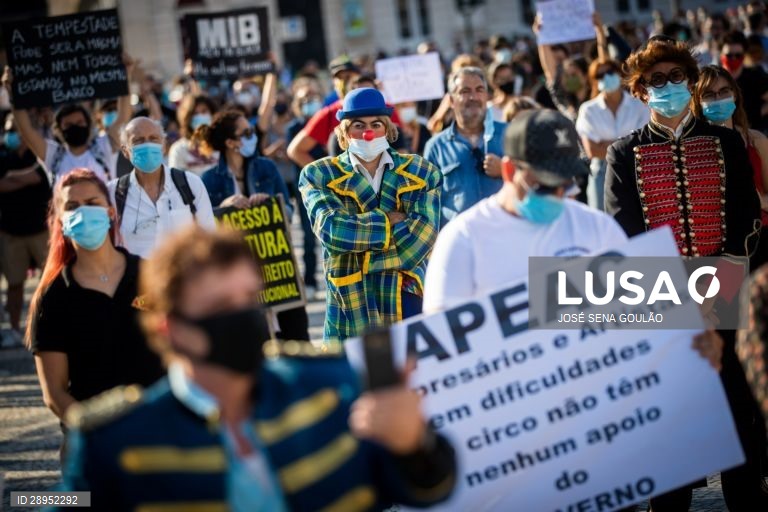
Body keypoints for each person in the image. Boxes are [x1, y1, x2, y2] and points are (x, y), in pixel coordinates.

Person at [58, 226, 456, 511]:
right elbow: (64, 499)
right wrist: (17, 499)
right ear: (173, 329)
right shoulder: (114, 438)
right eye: (219, 308)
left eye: (249, 298)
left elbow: (429, 489)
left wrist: (414, 444)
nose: (243, 316)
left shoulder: (332, 386)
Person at [605, 36, 768, 512]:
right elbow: (626, 231)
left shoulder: (725, 142)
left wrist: (718, 290)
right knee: (671, 427)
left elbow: (744, 219)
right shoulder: (623, 152)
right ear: (640, 92)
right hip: (662, 302)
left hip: (727, 294)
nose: (668, 86)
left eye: (677, 77)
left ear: (691, 82)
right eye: (656, 81)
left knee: (739, 417)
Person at [423, 109, 626, 313]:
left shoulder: (599, 228)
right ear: (510, 171)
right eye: (545, 184)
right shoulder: (463, 239)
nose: (557, 194)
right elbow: (442, 333)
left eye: (565, 184)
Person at [299, 88, 441, 342]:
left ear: (387, 129)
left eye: (376, 124)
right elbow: (333, 231)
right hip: (351, 302)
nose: (368, 133)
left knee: (413, 377)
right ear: (344, 132)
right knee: (359, 379)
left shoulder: (421, 171)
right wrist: (388, 221)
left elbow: (420, 241)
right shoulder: (318, 174)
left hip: (405, 298)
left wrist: (359, 249)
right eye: (358, 125)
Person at [25, 169, 164, 427]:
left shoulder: (151, 275)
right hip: (96, 442)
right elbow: (54, 393)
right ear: (61, 222)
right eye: (72, 206)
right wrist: (99, 434)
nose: (83, 212)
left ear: (111, 213)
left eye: (92, 203)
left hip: (160, 433)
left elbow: (183, 352)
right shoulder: (52, 298)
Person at [199, 110, 308, 341]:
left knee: (296, 336)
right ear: (230, 143)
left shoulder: (266, 168)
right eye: (246, 132)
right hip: (239, 275)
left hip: (278, 270)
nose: (253, 136)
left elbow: (288, 211)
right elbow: (205, 229)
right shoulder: (209, 180)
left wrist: (271, 207)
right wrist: (223, 207)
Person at [2, 59, 134, 182]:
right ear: (58, 130)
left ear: (88, 125)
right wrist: (13, 95)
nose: (75, 127)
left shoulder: (103, 147)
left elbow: (122, 118)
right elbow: (27, 131)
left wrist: (125, 77)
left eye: (79, 123)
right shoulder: (52, 155)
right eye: (68, 125)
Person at [109, 117, 215, 259]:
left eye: (153, 138)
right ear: (125, 151)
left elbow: (210, 238)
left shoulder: (190, 183)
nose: (147, 145)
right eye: (138, 141)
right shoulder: (114, 193)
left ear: (164, 146)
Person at [424, 67, 505, 228]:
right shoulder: (436, 147)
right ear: (452, 101)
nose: (473, 97)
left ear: (487, 96)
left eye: (479, 90)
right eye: (465, 91)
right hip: (462, 242)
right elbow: (428, 205)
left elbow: (534, 182)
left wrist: (506, 169)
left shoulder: (510, 134)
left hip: (506, 234)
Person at [0, 114, 51, 347]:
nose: (14, 134)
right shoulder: (2, 154)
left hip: (42, 231)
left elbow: (37, 177)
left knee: (49, 282)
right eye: (10, 129)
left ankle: (46, 324)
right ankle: (13, 329)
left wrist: (12, 179)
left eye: (17, 130)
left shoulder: (39, 154)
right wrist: (20, 179)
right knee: (14, 284)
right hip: (11, 232)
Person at [575, 58, 649, 210]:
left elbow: (644, 143)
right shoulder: (588, 110)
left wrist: (606, 144)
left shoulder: (639, 105)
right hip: (601, 173)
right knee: (601, 224)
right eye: (599, 76)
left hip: (636, 170)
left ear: (619, 73)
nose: (606, 77)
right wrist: (626, 144)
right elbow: (592, 150)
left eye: (609, 72)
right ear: (594, 81)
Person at [286, 77, 327, 299]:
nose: (309, 102)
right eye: (304, 99)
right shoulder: (294, 127)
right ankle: (310, 281)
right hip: (308, 188)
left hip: (332, 188)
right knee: (309, 237)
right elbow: (295, 154)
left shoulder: (330, 122)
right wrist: (322, 175)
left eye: (313, 97)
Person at [721, 30, 768, 131]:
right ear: (721, 54)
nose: (733, 59)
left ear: (743, 56)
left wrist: (757, 114)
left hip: (754, 133)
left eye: (737, 55)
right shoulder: (715, 79)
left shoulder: (756, 75)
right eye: (729, 55)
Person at [167, 94, 219, 175]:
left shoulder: (221, 145)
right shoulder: (178, 149)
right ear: (187, 117)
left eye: (204, 111)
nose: (200, 116)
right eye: (195, 113)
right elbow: (176, 181)